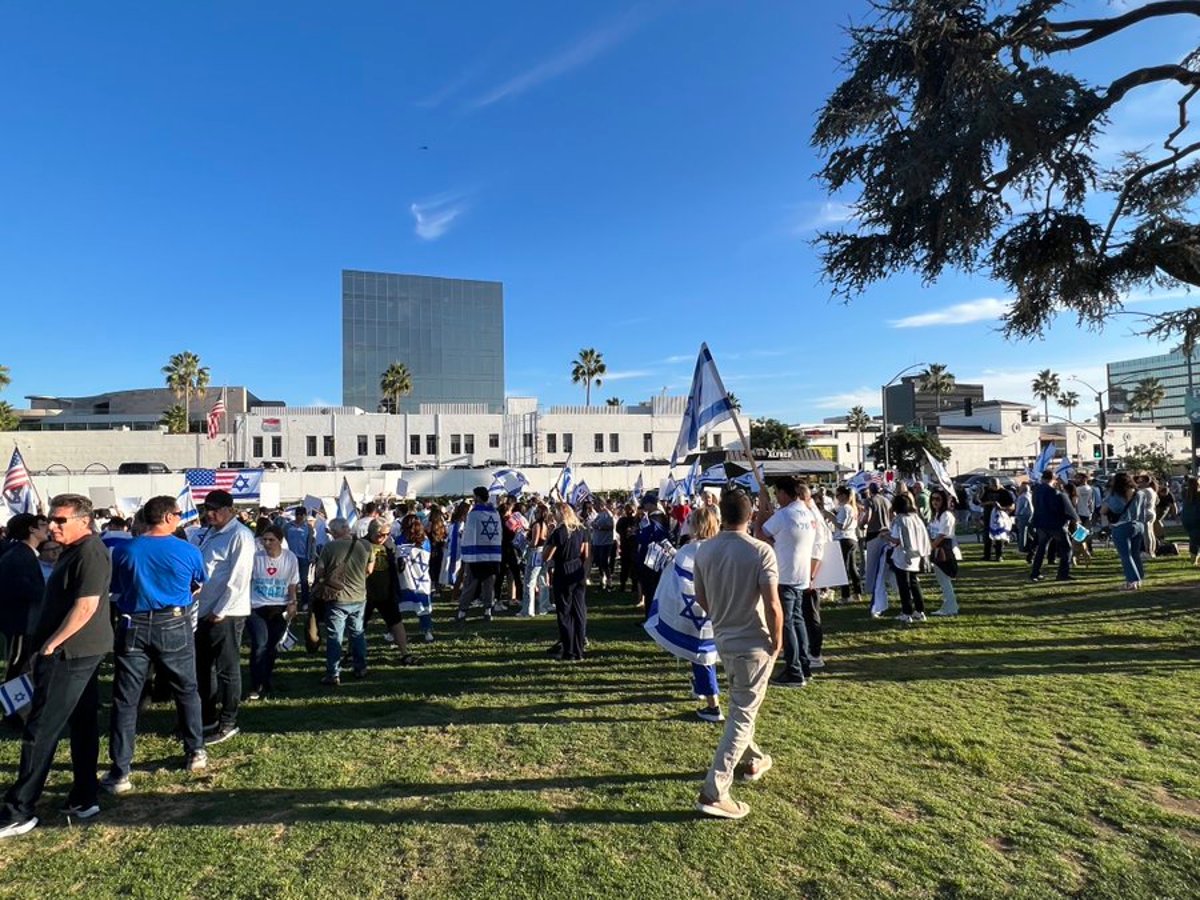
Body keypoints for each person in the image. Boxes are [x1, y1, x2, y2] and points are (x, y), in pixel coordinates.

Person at [0, 495, 113, 837]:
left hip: (71, 653)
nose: (53, 525)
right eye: (51, 519)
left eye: (61, 520)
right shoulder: (74, 550)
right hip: (72, 651)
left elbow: (86, 607)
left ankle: (20, 809)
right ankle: (84, 795)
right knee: (81, 724)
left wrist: (51, 644)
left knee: (41, 729)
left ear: (84, 520)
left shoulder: (91, 552)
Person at [102, 496, 208, 795]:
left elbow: (117, 587)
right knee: (186, 689)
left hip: (133, 622)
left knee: (126, 698)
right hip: (173, 621)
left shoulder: (125, 550)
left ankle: (120, 770)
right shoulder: (188, 550)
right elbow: (198, 584)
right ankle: (195, 750)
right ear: (167, 517)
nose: (180, 518)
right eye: (178, 514)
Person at [692, 490, 782, 821]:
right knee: (743, 712)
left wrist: (723, 615)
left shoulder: (705, 550)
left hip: (725, 637)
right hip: (753, 640)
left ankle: (753, 757)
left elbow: (701, 596)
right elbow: (773, 603)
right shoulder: (761, 551)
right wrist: (779, 638)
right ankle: (714, 791)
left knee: (743, 705)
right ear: (751, 515)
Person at [645, 506, 723, 722]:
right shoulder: (721, 549)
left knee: (703, 657)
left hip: (695, 609)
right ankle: (701, 689)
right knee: (702, 655)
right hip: (718, 610)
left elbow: (677, 580)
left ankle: (713, 706)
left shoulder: (689, 551)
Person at [194, 490, 255, 743]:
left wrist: (220, 610)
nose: (210, 514)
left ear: (230, 509)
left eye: (216, 509)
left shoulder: (240, 535)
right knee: (204, 667)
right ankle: (207, 717)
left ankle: (228, 721)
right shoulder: (210, 532)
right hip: (204, 610)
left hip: (227, 613)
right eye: (207, 509)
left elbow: (239, 579)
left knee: (227, 669)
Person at [757, 477, 824, 685]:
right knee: (797, 621)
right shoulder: (807, 513)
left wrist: (762, 511)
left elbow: (760, 533)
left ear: (784, 493)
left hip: (785, 575)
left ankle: (793, 670)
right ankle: (803, 666)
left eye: (777, 493)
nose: (777, 497)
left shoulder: (785, 514)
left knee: (787, 624)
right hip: (801, 575)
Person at [315, 517, 373, 685]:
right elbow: (369, 570)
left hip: (337, 597)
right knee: (357, 633)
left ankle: (333, 673)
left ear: (334, 532)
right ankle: (360, 667)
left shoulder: (330, 547)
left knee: (335, 636)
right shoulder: (365, 545)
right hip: (359, 596)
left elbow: (319, 572)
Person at [246, 524, 299, 701]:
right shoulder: (256, 557)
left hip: (279, 607)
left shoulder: (290, 558)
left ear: (280, 541)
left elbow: (292, 582)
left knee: (271, 646)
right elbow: (247, 580)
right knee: (259, 644)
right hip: (257, 606)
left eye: (271, 540)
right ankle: (256, 684)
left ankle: (266, 678)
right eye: (264, 540)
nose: (267, 543)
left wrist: (293, 602)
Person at [0, 514, 48, 685]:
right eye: (43, 524)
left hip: (26, 622)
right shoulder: (19, 556)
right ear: (31, 529)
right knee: (18, 667)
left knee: (23, 666)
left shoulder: (24, 554)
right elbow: (24, 589)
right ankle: (15, 708)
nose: (48, 527)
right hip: (21, 624)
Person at [363, 519, 417, 660]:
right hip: (366, 592)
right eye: (381, 534)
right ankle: (352, 652)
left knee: (396, 622)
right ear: (372, 532)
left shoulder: (389, 545)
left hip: (386, 592)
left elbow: (395, 563)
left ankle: (405, 653)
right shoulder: (362, 545)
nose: (384, 537)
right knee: (358, 625)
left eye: (387, 534)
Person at [543, 503, 590, 661]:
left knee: (564, 611)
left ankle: (568, 650)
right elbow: (585, 552)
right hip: (578, 569)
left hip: (563, 569)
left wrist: (549, 537)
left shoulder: (558, 532)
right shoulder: (581, 529)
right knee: (579, 610)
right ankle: (579, 649)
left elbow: (547, 556)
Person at [455, 487, 502, 623]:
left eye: (474, 496)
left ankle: (462, 612)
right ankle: (488, 611)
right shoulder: (495, 513)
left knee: (471, 584)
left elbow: (470, 534)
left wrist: (465, 545)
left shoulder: (474, 514)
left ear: (479, 497)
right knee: (488, 584)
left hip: (476, 555)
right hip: (492, 554)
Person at [887, 493, 931, 625]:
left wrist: (885, 536)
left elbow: (895, 540)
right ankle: (920, 610)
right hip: (916, 554)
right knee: (914, 583)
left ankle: (907, 613)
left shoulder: (899, 520)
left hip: (903, 555)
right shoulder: (916, 518)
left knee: (904, 585)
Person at [1028, 471, 1078, 582]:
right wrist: (1071, 518)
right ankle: (1062, 573)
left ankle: (1035, 573)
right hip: (1055, 524)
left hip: (1041, 523)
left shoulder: (1036, 491)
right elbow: (1063, 509)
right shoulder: (1055, 493)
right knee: (1066, 548)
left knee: (1041, 548)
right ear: (1053, 478)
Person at [1100, 472, 1147, 591]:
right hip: (1138, 524)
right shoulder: (1140, 493)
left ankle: (1132, 581)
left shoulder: (1115, 495)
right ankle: (1139, 578)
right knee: (1135, 553)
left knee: (1125, 555)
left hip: (1122, 526)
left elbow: (1104, 510)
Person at [396, 516, 435, 646]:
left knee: (398, 608)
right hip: (422, 578)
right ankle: (427, 632)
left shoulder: (399, 540)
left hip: (405, 580)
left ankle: (393, 633)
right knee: (424, 606)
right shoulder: (425, 541)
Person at [927, 489, 959, 616]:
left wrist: (930, 547)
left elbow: (942, 535)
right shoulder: (935, 515)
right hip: (935, 547)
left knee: (945, 580)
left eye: (938, 499)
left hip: (943, 549)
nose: (935, 502)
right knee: (942, 580)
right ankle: (950, 604)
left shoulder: (946, 515)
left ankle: (951, 606)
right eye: (933, 499)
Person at [832, 487, 862, 605]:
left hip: (844, 539)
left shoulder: (845, 508)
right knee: (852, 567)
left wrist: (830, 516)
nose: (837, 497)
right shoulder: (853, 508)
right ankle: (857, 592)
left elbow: (841, 525)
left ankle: (846, 595)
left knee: (843, 569)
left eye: (838, 495)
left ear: (844, 495)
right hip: (852, 539)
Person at [284, 507, 316, 610]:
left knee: (304, 580)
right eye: (298, 514)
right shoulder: (288, 527)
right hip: (290, 558)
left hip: (304, 557)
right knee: (290, 580)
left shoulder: (308, 527)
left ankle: (305, 602)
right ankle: (289, 600)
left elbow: (312, 542)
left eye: (301, 515)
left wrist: (312, 556)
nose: (299, 517)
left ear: (304, 516)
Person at [979, 478, 1015, 561]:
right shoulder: (987, 491)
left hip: (1000, 518)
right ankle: (986, 555)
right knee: (987, 537)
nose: (994, 487)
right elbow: (981, 503)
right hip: (988, 516)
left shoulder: (1005, 493)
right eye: (992, 485)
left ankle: (999, 555)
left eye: (996, 485)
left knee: (999, 536)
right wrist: (991, 503)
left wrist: (1002, 508)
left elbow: (1012, 506)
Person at [589, 499, 616, 591]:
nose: (594, 507)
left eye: (595, 504)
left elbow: (611, 527)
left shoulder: (607, 514)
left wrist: (599, 527)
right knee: (599, 563)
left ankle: (609, 583)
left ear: (601, 505)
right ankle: (602, 582)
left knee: (604, 562)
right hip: (597, 542)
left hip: (605, 543)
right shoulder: (598, 515)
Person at [615, 502, 639, 592]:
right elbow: (618, 530)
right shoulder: (622, 520)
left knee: (633, 567)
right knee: (625, 567)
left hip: (633, 547)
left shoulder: (636, 520)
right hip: (626, 546)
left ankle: (634, 586)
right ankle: (623, 585)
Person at [1181, 475, 1200, 564]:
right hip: (1197, 517)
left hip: (1187, 518)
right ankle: (1195, 558)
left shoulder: (1185, 493)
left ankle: (1193, 559)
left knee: (1193, 538)